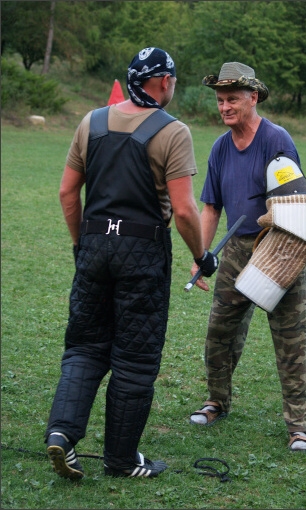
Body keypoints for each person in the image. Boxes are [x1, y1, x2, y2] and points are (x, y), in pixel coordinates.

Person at [44, 47, 218, 480]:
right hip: (142, 255)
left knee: (84, 347)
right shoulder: (173, 131)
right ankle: (121, 461)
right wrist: (202, 256)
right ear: (163, 82)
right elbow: (183, 210)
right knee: (135, 360)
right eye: (173, 82)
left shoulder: (91, 121)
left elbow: (68, 193)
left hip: (94, 249)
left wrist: (80, 246)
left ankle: (62, 435)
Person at [189, 62, 306, 452]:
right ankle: (216, 401)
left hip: (278, 248)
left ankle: (299, 425)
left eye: (232, 100)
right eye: (220, 100)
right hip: (235, 253)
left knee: (290, 340)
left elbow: (297, 202)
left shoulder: (277, 140)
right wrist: (201, 256)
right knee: (219, 335)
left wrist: (276, 230)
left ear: (253, 98)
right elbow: (210, 208)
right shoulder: (220, 147)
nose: (224, 107)